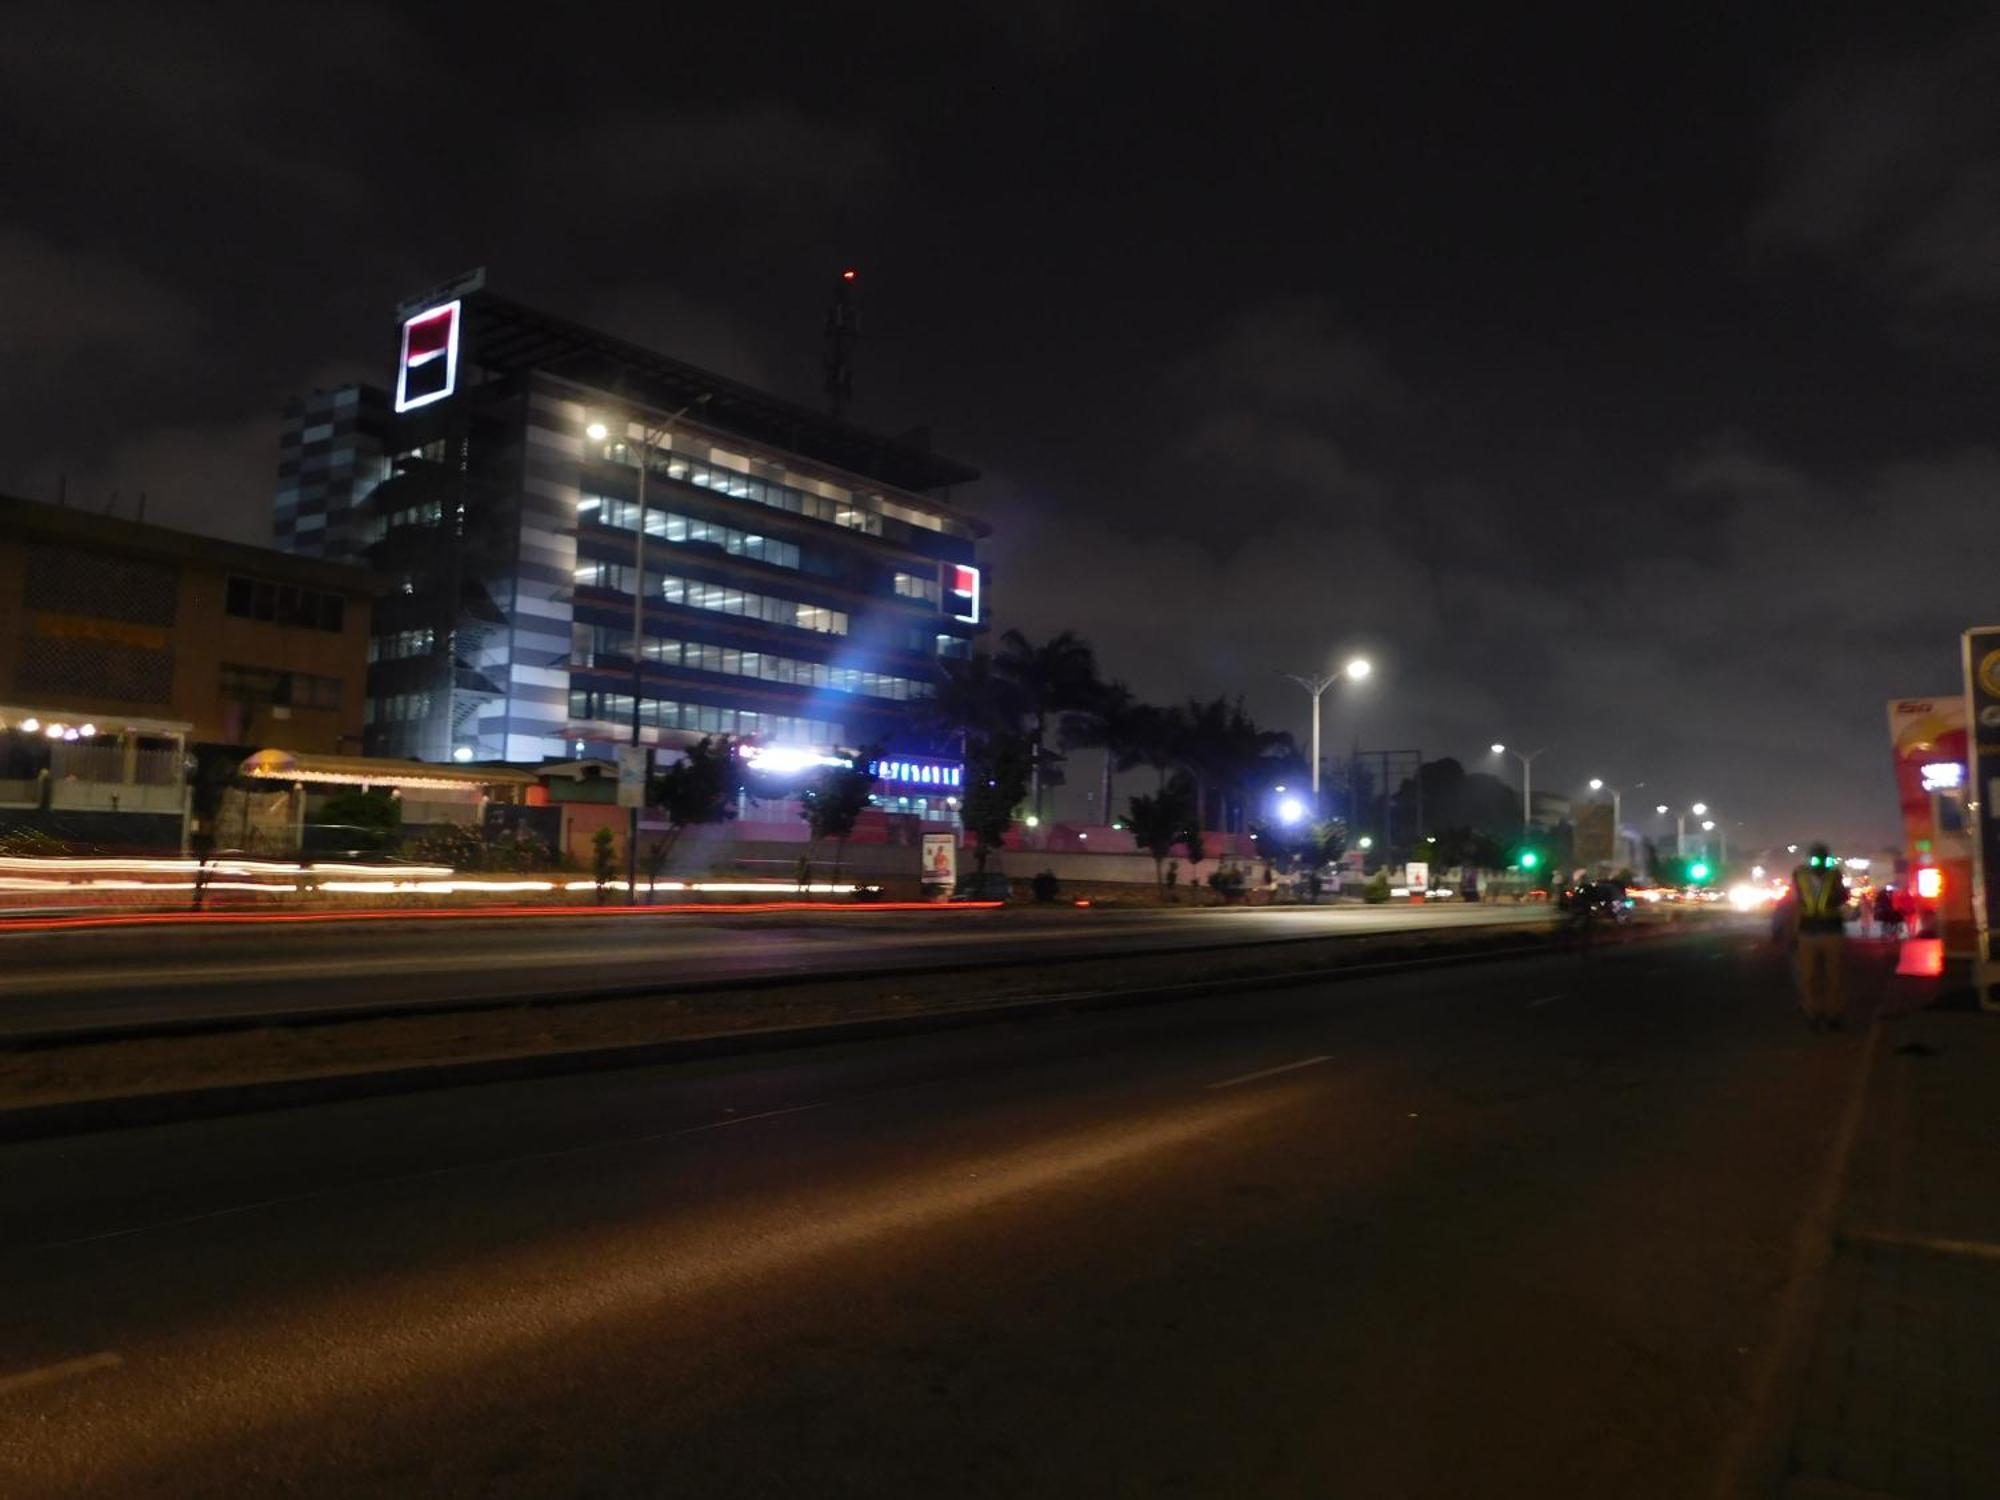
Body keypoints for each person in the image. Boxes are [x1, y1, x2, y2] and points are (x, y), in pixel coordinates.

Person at [1790, 843, 1850, 1030]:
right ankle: (1814, 1015)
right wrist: (1793, 931)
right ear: (1809, 859)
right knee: (1809, 977)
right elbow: (1795, 903)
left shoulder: (1835, 875)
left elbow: (1842, 896)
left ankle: (1833, 1016)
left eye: (1822, 859)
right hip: (1808, 932)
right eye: (1815, 859)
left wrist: (1839, 896)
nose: (1819, 863)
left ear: (1828, 859)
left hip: (1832, 931)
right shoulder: (1799, 875)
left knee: (1835, 976)